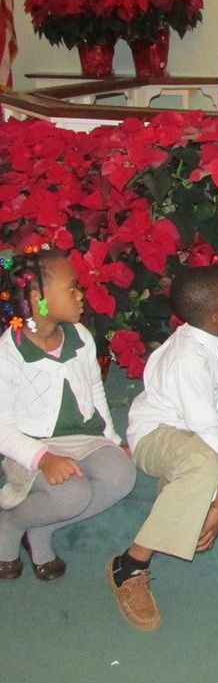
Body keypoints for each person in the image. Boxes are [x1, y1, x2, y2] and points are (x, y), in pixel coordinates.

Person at [107, 265, 218, 631]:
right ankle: (131, 564)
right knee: (206, 469)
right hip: (160, 434)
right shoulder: (188, 359)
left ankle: (184, 490)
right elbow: (205, 433)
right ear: (217, 314)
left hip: (205, 436)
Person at [0, 248, 135, 582]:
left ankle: (41, 530)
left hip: (81, 437)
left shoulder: (81, 338)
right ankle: (11, 523)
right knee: (72, 494)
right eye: (72, 288)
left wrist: (112, 440)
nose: (81, 295)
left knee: (122, 475)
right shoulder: (8, 354)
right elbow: (3, 429)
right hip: (31, 445)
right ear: (37, 299)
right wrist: (44, 458)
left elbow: (95, 391)